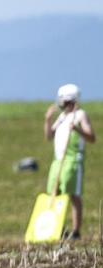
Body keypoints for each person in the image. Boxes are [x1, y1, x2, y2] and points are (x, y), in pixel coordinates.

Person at [44, 84, 96, 240]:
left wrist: (77, 129)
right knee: (54, 192)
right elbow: (49, 136)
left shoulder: (80, 115)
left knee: (72, 193)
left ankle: (75, 231)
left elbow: (91, 138)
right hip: (58, 160)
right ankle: (56, 227)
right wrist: (47, 120)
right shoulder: (62, 117)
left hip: (73, 159)